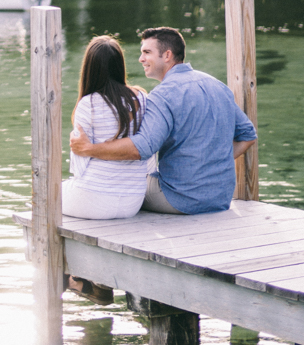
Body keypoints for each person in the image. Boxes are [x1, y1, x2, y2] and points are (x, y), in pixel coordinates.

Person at [70, 26, 257, 215]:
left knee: (128, 185)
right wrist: (211, 162)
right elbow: (248, 136)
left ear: (167, 55)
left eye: (146, 52)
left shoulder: (163, 95)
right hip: (220, 198)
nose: (141, 59)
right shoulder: (217, 85)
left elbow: (140, 148)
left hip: (179, 198)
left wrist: (89, 149)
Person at [63, 35, 150, 219]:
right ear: (120, 65)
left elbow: (79, 166)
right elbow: (148, 153)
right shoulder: (142, 98)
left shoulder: (89, 104)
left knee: (45, 191)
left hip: (93, 199)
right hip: (132, 202)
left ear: (89, 68)